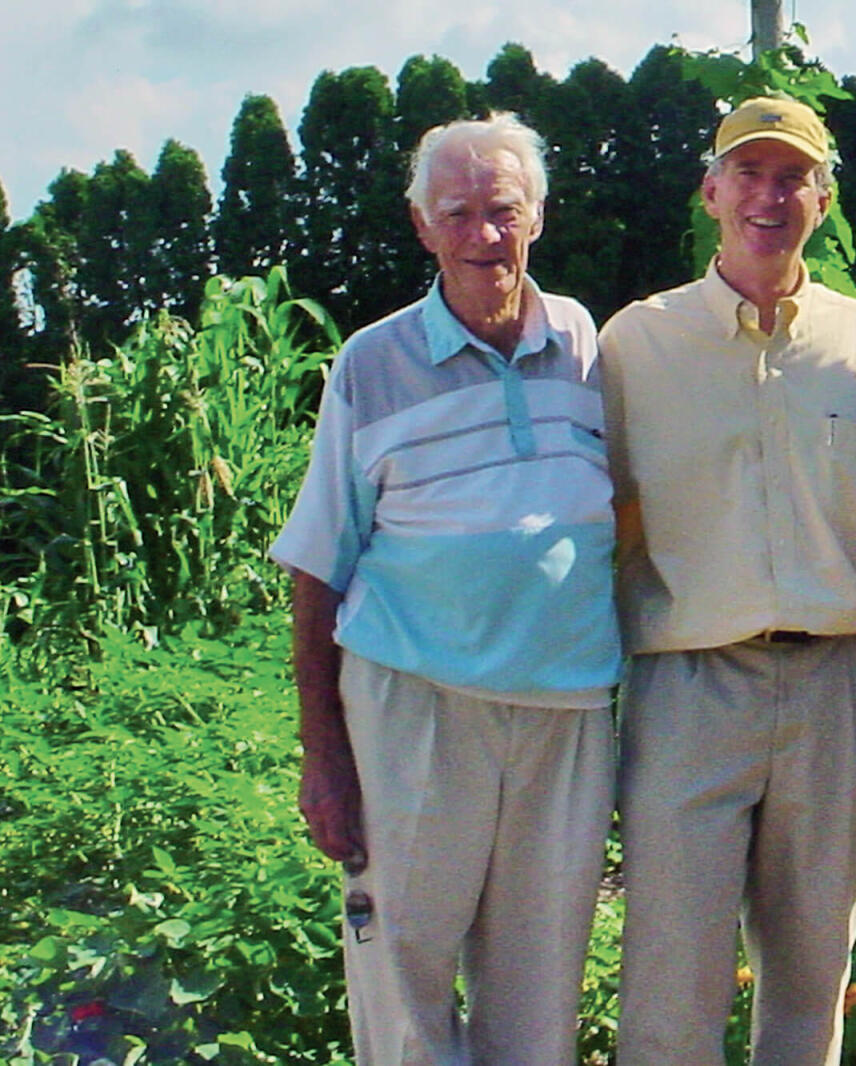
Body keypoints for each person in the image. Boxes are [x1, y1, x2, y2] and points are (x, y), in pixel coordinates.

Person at [270, 113, 621, 1065]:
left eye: (503, 210)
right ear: (423, 226)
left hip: (567, 713)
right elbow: (315, 569)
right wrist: (324, 755)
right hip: (415, 708)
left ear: (537, 216)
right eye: (457, 213)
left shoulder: (589, 347)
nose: (484, 235)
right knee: (405, 985)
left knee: (542, 989)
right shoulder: (371, 366)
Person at [598, 96, 856, 1066]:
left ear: (821, 196)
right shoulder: (633, 346)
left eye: (791, 177)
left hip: (830, 686)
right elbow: (587, 519)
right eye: (749, 173)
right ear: (711, 188)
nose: (768, 195)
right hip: (688, 687)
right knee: (671, 985)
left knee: (811, 984)